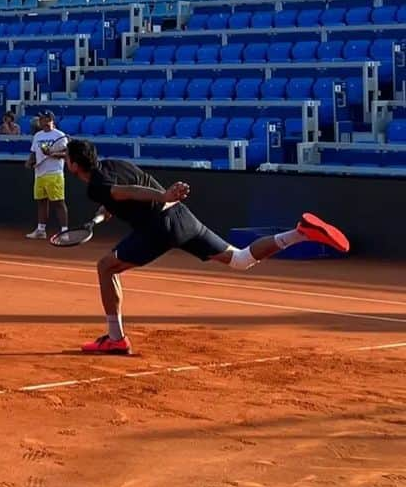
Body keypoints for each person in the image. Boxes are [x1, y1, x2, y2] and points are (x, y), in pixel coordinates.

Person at [63, 138, 350, 355]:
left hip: (158, 226)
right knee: (240, 259)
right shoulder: (115, 165)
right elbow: (115, 197)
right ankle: (299, 234)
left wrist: (162, 196)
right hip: (181, 217)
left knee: (105, 267)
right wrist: (100, 216)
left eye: (66, 159)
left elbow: (125, 192)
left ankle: (116, 339)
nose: (65, 162)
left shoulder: (95, 186)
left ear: (75, 165)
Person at [25, 111, 68, 239]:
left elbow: (66, 154)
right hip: (39, 173)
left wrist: (53, 153)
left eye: (44, 118)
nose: (42, 121)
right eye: (41, 119)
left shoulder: (60, 135)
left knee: (59, 202)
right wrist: (30, 161)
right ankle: (41, 230)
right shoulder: (37, 135)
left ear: (50, 120)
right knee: (41, 202)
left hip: (54, 174)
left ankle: (65, 232)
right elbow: (34, 152)